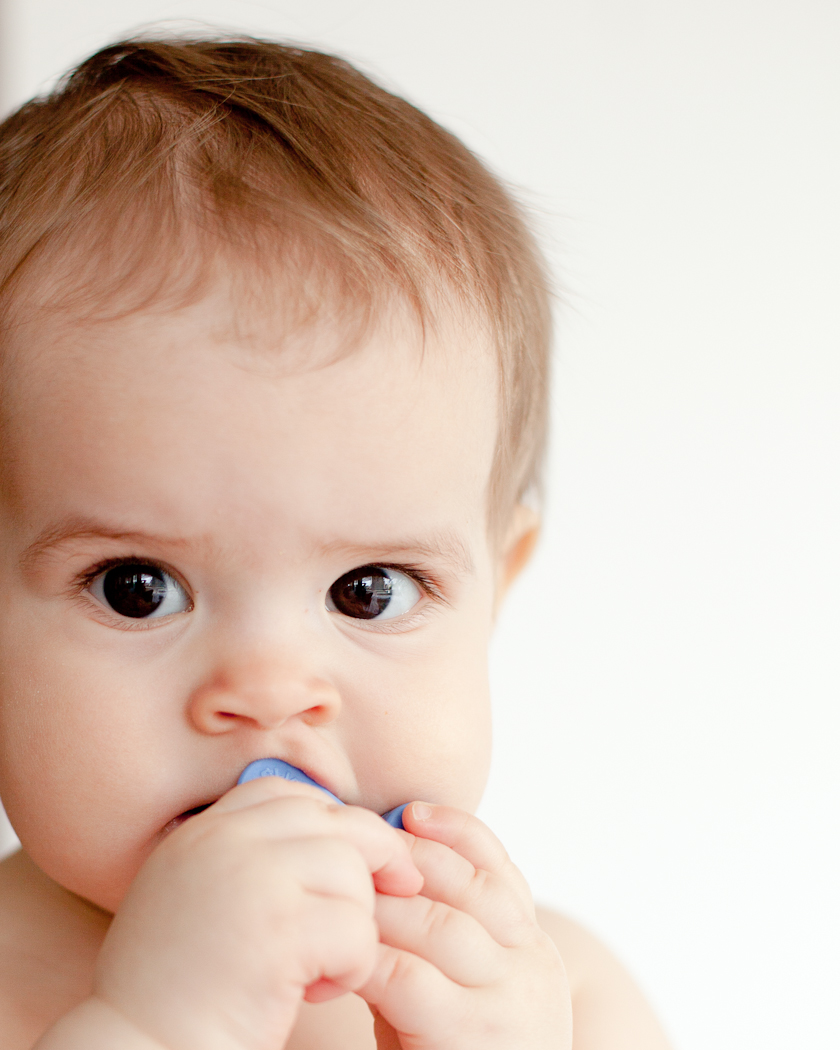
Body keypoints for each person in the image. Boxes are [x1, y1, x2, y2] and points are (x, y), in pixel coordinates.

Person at [0, 37, 671, 1049]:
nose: (271, 689)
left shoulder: (566, 1000)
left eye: (368, 591)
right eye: (138, 587)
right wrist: (151, 1023)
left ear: (496, 593)